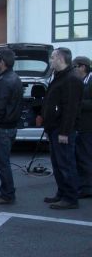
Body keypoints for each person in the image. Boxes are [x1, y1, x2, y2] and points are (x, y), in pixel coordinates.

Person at [41, 47, 84, 209]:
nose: (50, 60)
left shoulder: (71, 79)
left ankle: (70, 198)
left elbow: (71, 109)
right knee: (58, 164)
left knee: (66, 163)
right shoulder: (59, 77)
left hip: (63, 130)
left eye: (52, 58)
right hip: (54, 128)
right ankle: (62, 192)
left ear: (60, 59)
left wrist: (65, 132)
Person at [0, 49, 23, 205]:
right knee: (3, 161)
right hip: (9, 125)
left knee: (2, 163)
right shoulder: (13, 78)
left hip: (3, 127)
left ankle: (7, 194)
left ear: (3, 62)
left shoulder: (5, 81)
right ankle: (6, 192)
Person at [73, 56, 92, 199]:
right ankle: (81, 184)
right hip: (80, 126)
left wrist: (78, 103)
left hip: (88, 126)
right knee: (80, 157)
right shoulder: (81, 81)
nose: (73, 70)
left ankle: (87, 188)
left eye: (75, 67)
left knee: (86, 157)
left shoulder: (90, 81)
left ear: (83, 67)